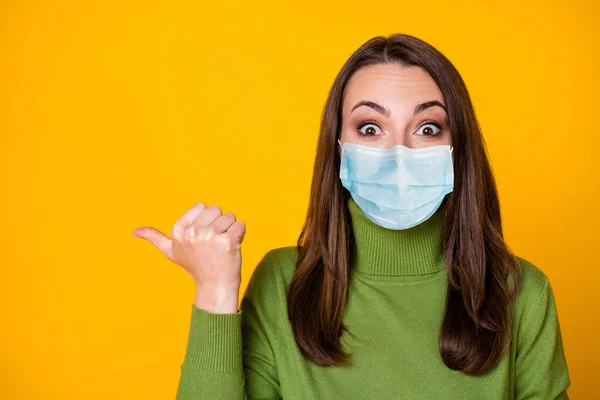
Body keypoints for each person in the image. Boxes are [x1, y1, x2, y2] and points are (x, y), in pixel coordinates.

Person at [132, 33, 571, 399]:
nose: (398, 151)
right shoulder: (283, 285)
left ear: (459, 152)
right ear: (338, 148)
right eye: (370, 128)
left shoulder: (521, 293)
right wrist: (214, 290)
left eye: (427, 128)